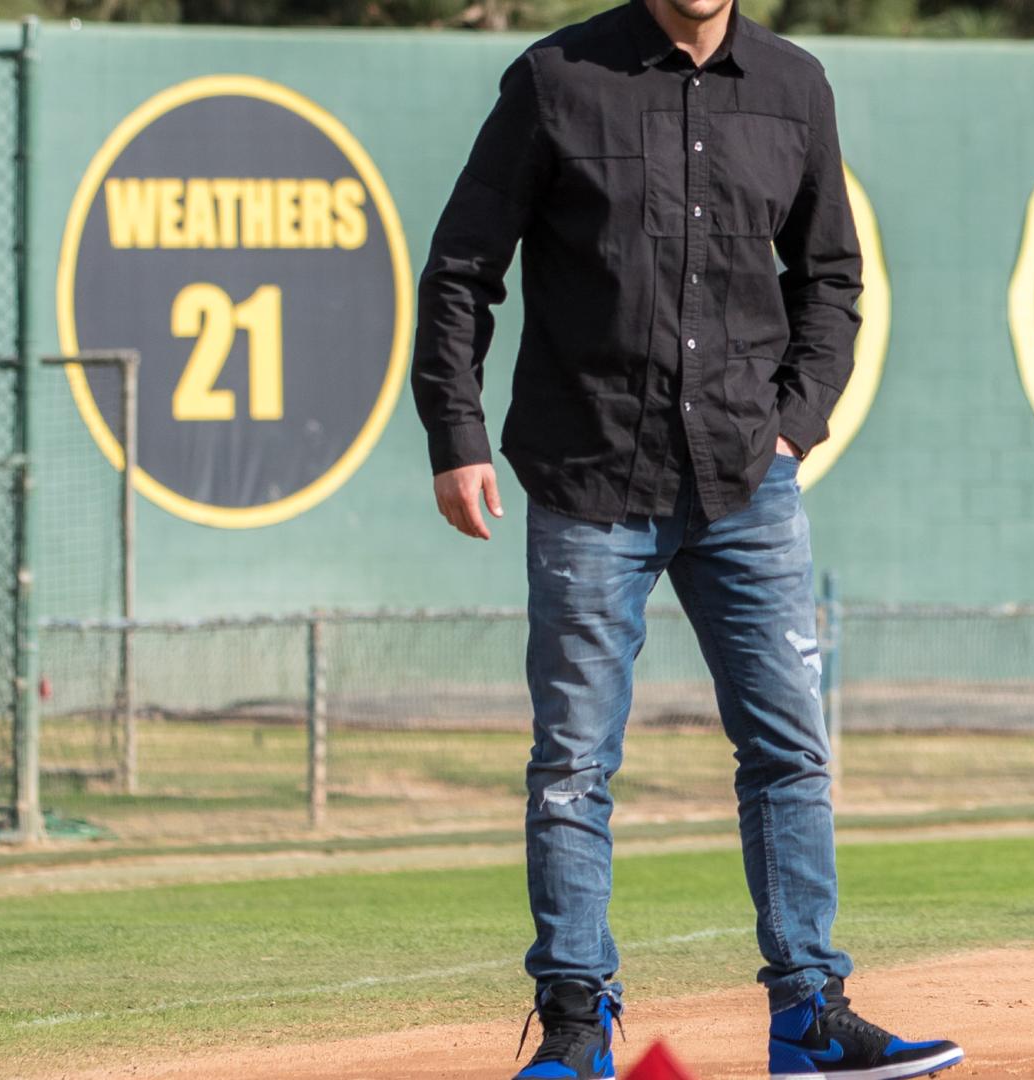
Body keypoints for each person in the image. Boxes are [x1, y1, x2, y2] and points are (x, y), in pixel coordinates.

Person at [409, 2, 963, 1079]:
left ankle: (808, 1013)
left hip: (744, 480)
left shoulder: (795, 86)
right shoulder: (557, 77)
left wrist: (798, 421)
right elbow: (463, 269)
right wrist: (455, 433)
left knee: (788, 752)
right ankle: (576, 1026)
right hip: (587, 473)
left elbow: (831, 278)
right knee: (573, 762)